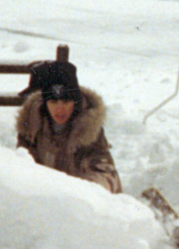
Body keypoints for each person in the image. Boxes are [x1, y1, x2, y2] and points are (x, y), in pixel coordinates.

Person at [15, 60, 122, 193]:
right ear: (44, 103)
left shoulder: (88, 129)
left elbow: (106, 174)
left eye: (66, 101)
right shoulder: (32, 126)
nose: (60, 110)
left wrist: (83, 191)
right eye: (53, 102)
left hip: (80, 202)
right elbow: (21, 170)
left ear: (75, 101)